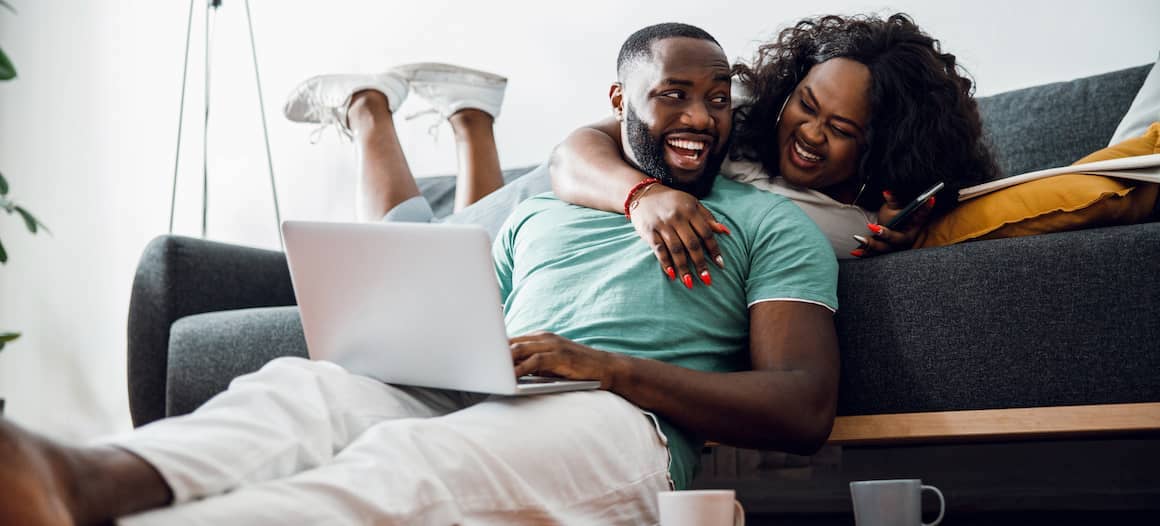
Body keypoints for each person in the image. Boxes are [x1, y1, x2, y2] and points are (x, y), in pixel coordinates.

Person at [0, 23, 840, 525]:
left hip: (624, 422)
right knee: (304, 391)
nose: (702, 116)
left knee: (417, 464)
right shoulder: (546, 206)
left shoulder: (769, 223)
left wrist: (609, 367)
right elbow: (477, 316)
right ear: (619, 104)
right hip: (490, 387)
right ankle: (82, 478)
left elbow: (802, 406)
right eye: (674, 95)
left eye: (719, 97)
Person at [550, 13, 1001, 286]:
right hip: (578, 192)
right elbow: (571, 153)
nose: (810, 133)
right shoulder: (730, 110)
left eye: (841, 128)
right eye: (805, 105)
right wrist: (643, 196)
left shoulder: (855, 229)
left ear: (883, 149)